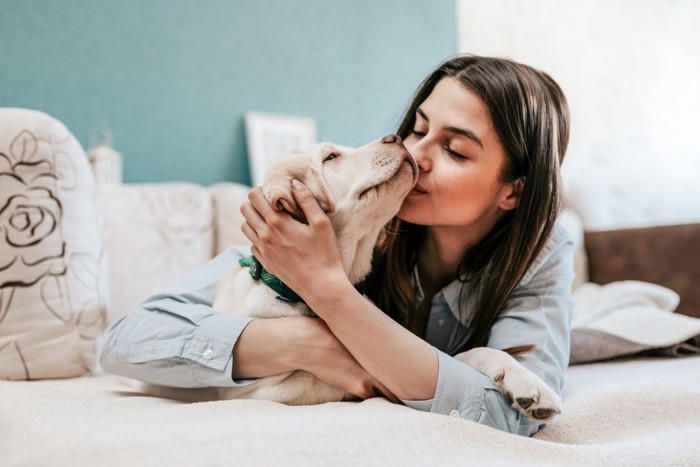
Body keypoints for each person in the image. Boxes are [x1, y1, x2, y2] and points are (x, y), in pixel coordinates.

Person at [100, 54, 574, 436]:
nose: (417, 153)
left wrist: (329, 290)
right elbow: (125, 341)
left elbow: (514, 416)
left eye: (455, 150)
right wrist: (305, 342)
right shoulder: (350, 222)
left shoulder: (542, 252)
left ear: (514, 190)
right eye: (419, 128)